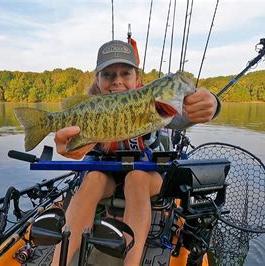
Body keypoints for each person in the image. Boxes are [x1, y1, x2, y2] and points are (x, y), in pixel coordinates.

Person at [51, 40, 220, 265]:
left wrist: (213, 104)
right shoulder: (90, 110)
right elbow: (73, 143)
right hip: (107, 175)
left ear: (137, 78)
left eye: (125, 73)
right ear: (98, 80)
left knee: (136, 178)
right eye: (108, 74)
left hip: (147, 176)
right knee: (91, 178)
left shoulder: (158, 106)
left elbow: (188, 115)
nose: (117, 80)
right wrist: (67, 148)